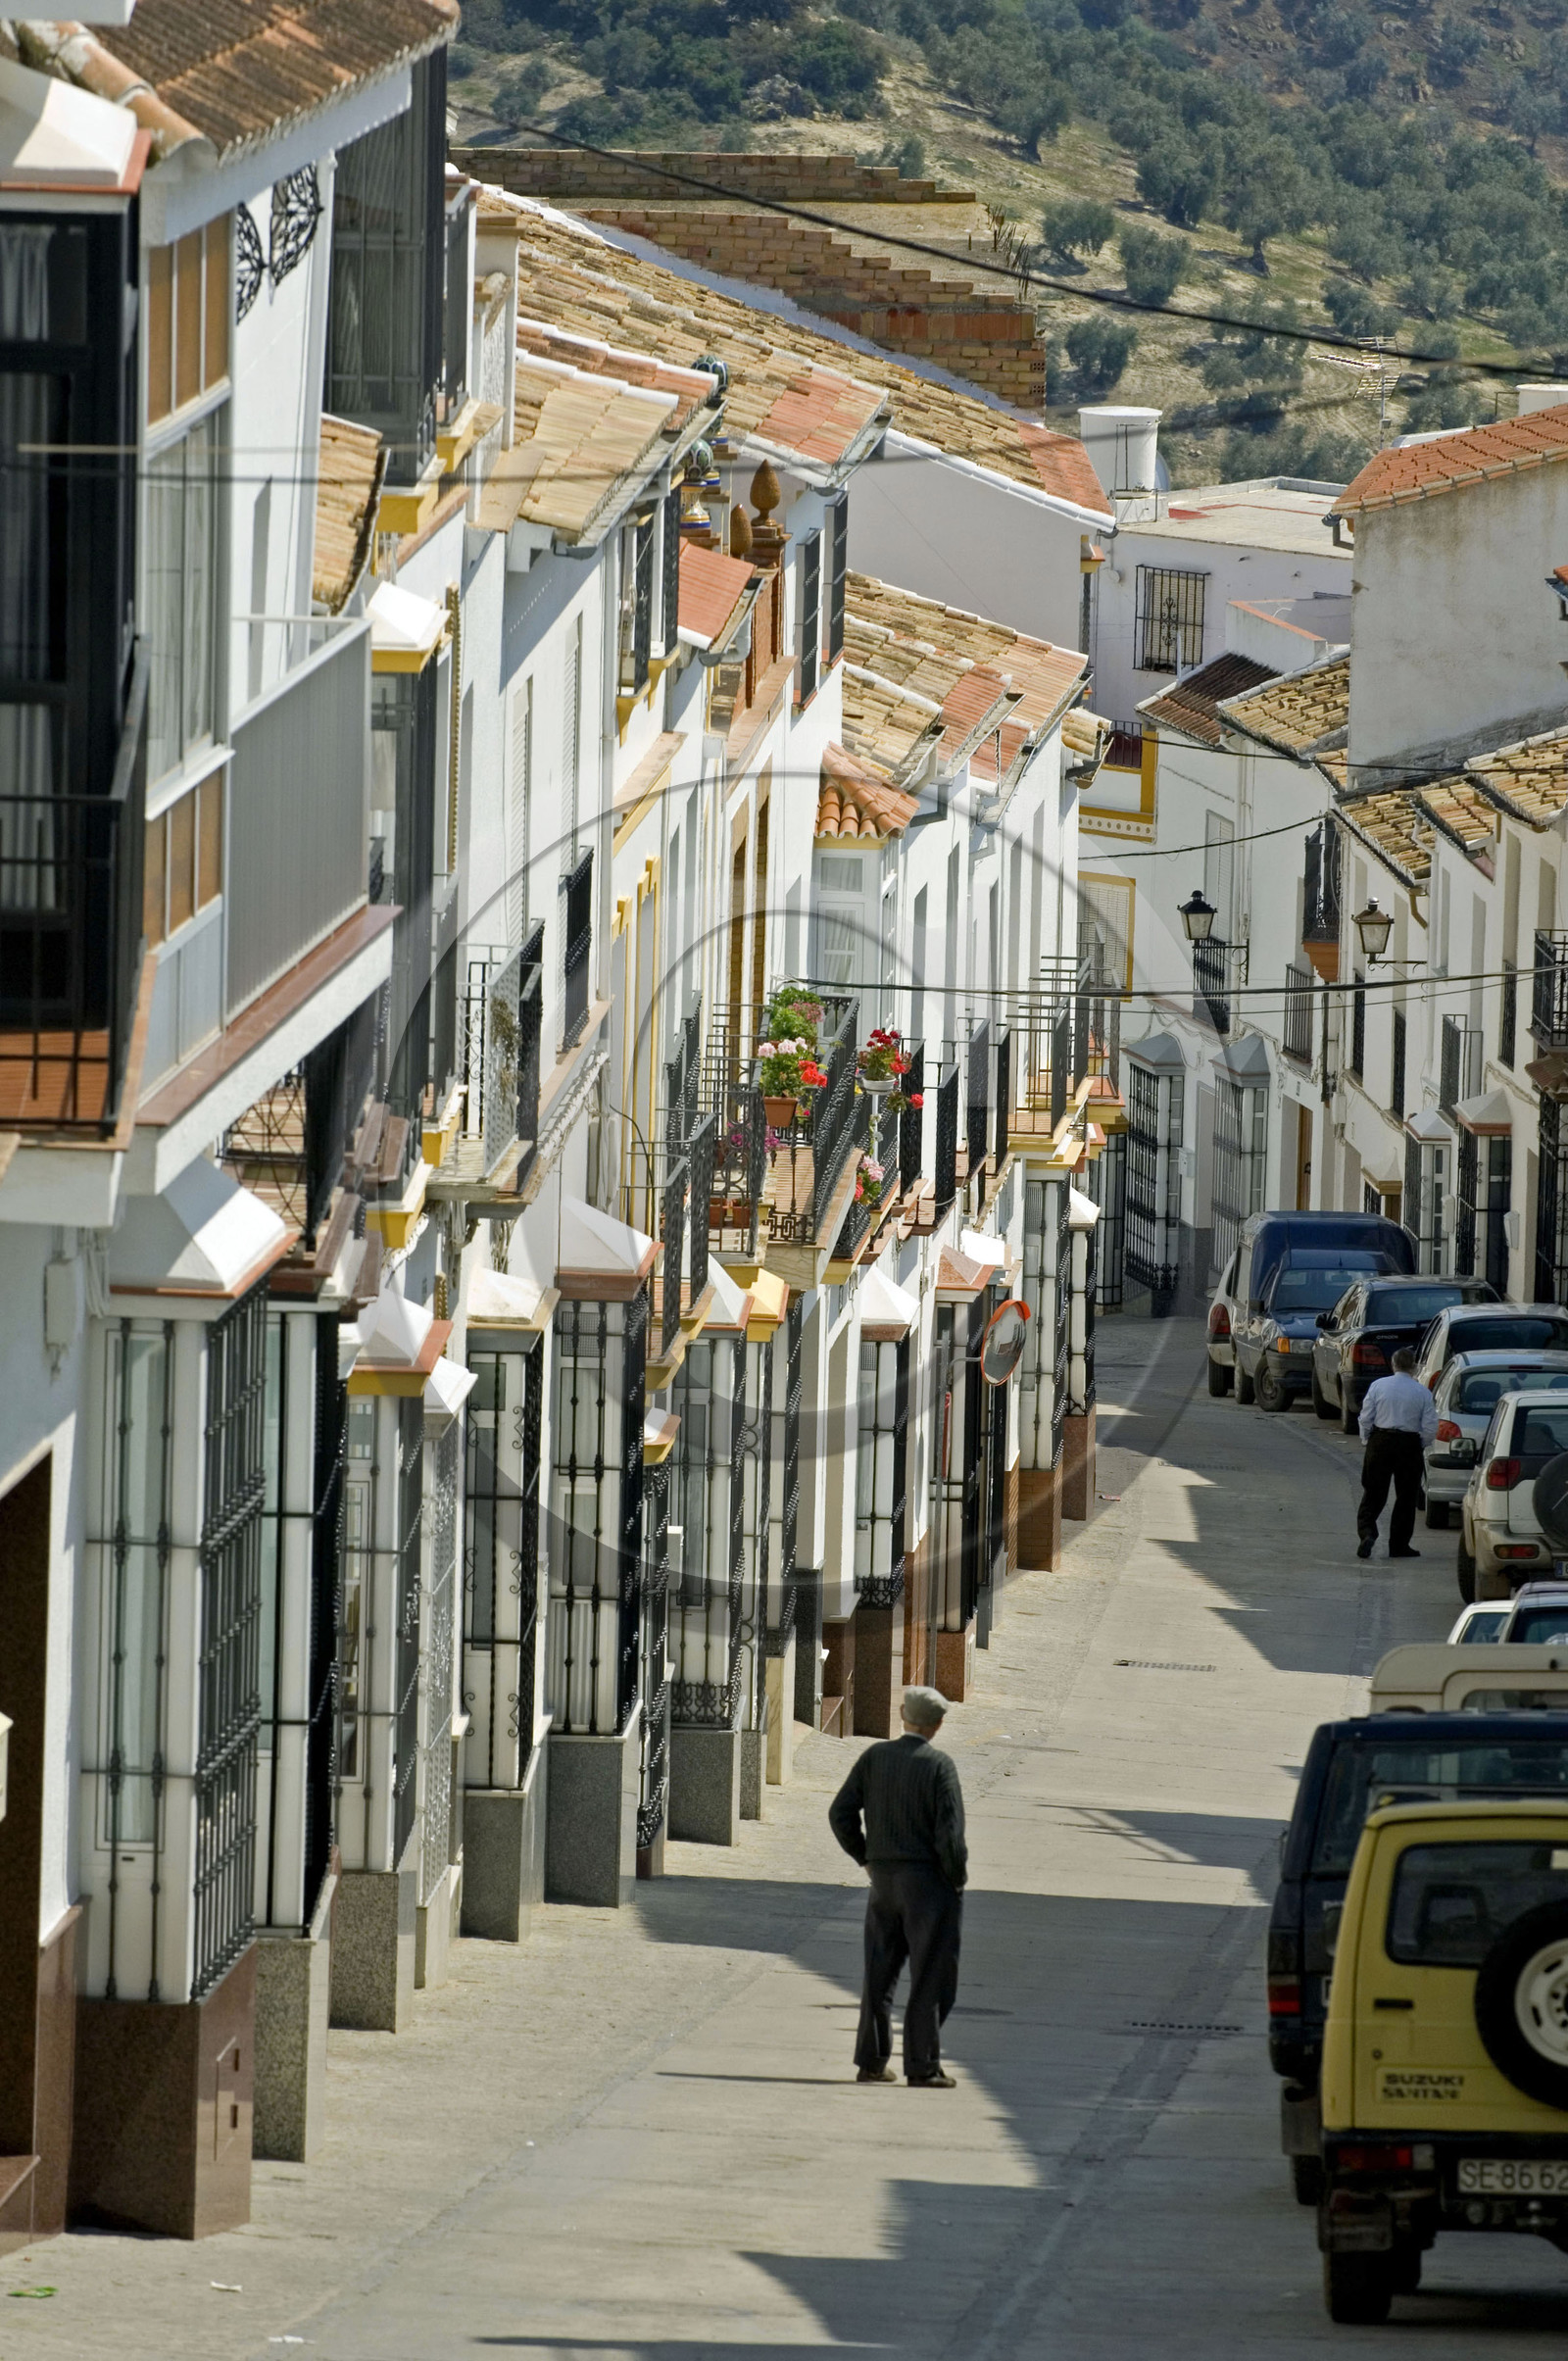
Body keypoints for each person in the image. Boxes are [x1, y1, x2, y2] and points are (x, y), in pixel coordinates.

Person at [828, 1684, 967, 2088]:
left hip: (884, 1884)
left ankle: (871, 2062)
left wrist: (867, 1858)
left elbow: (840, 1813)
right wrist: (955, 1881)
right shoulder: (939, 1767)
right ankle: (922, 2065)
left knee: (879, 1973)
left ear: (903, 1717)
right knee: (931, 1976)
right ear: (937, 1725)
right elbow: (950, 1837)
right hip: (928, 1885)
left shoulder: (874, 1757)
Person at [1356, 1346, 1439, 1560]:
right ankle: (1399, 1545)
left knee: (1373, 1492)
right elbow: (1430, 1426)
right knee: (1406, 1496)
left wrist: (1367, 1439)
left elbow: (1366, 1417)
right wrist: (1420, 1443)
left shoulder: (1378, 1386)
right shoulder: (1422, 1392)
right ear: (1413, 1367)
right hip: (1408, 1443)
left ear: (1393, 1365)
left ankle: (1367, 1533)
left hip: (1380, 1440)